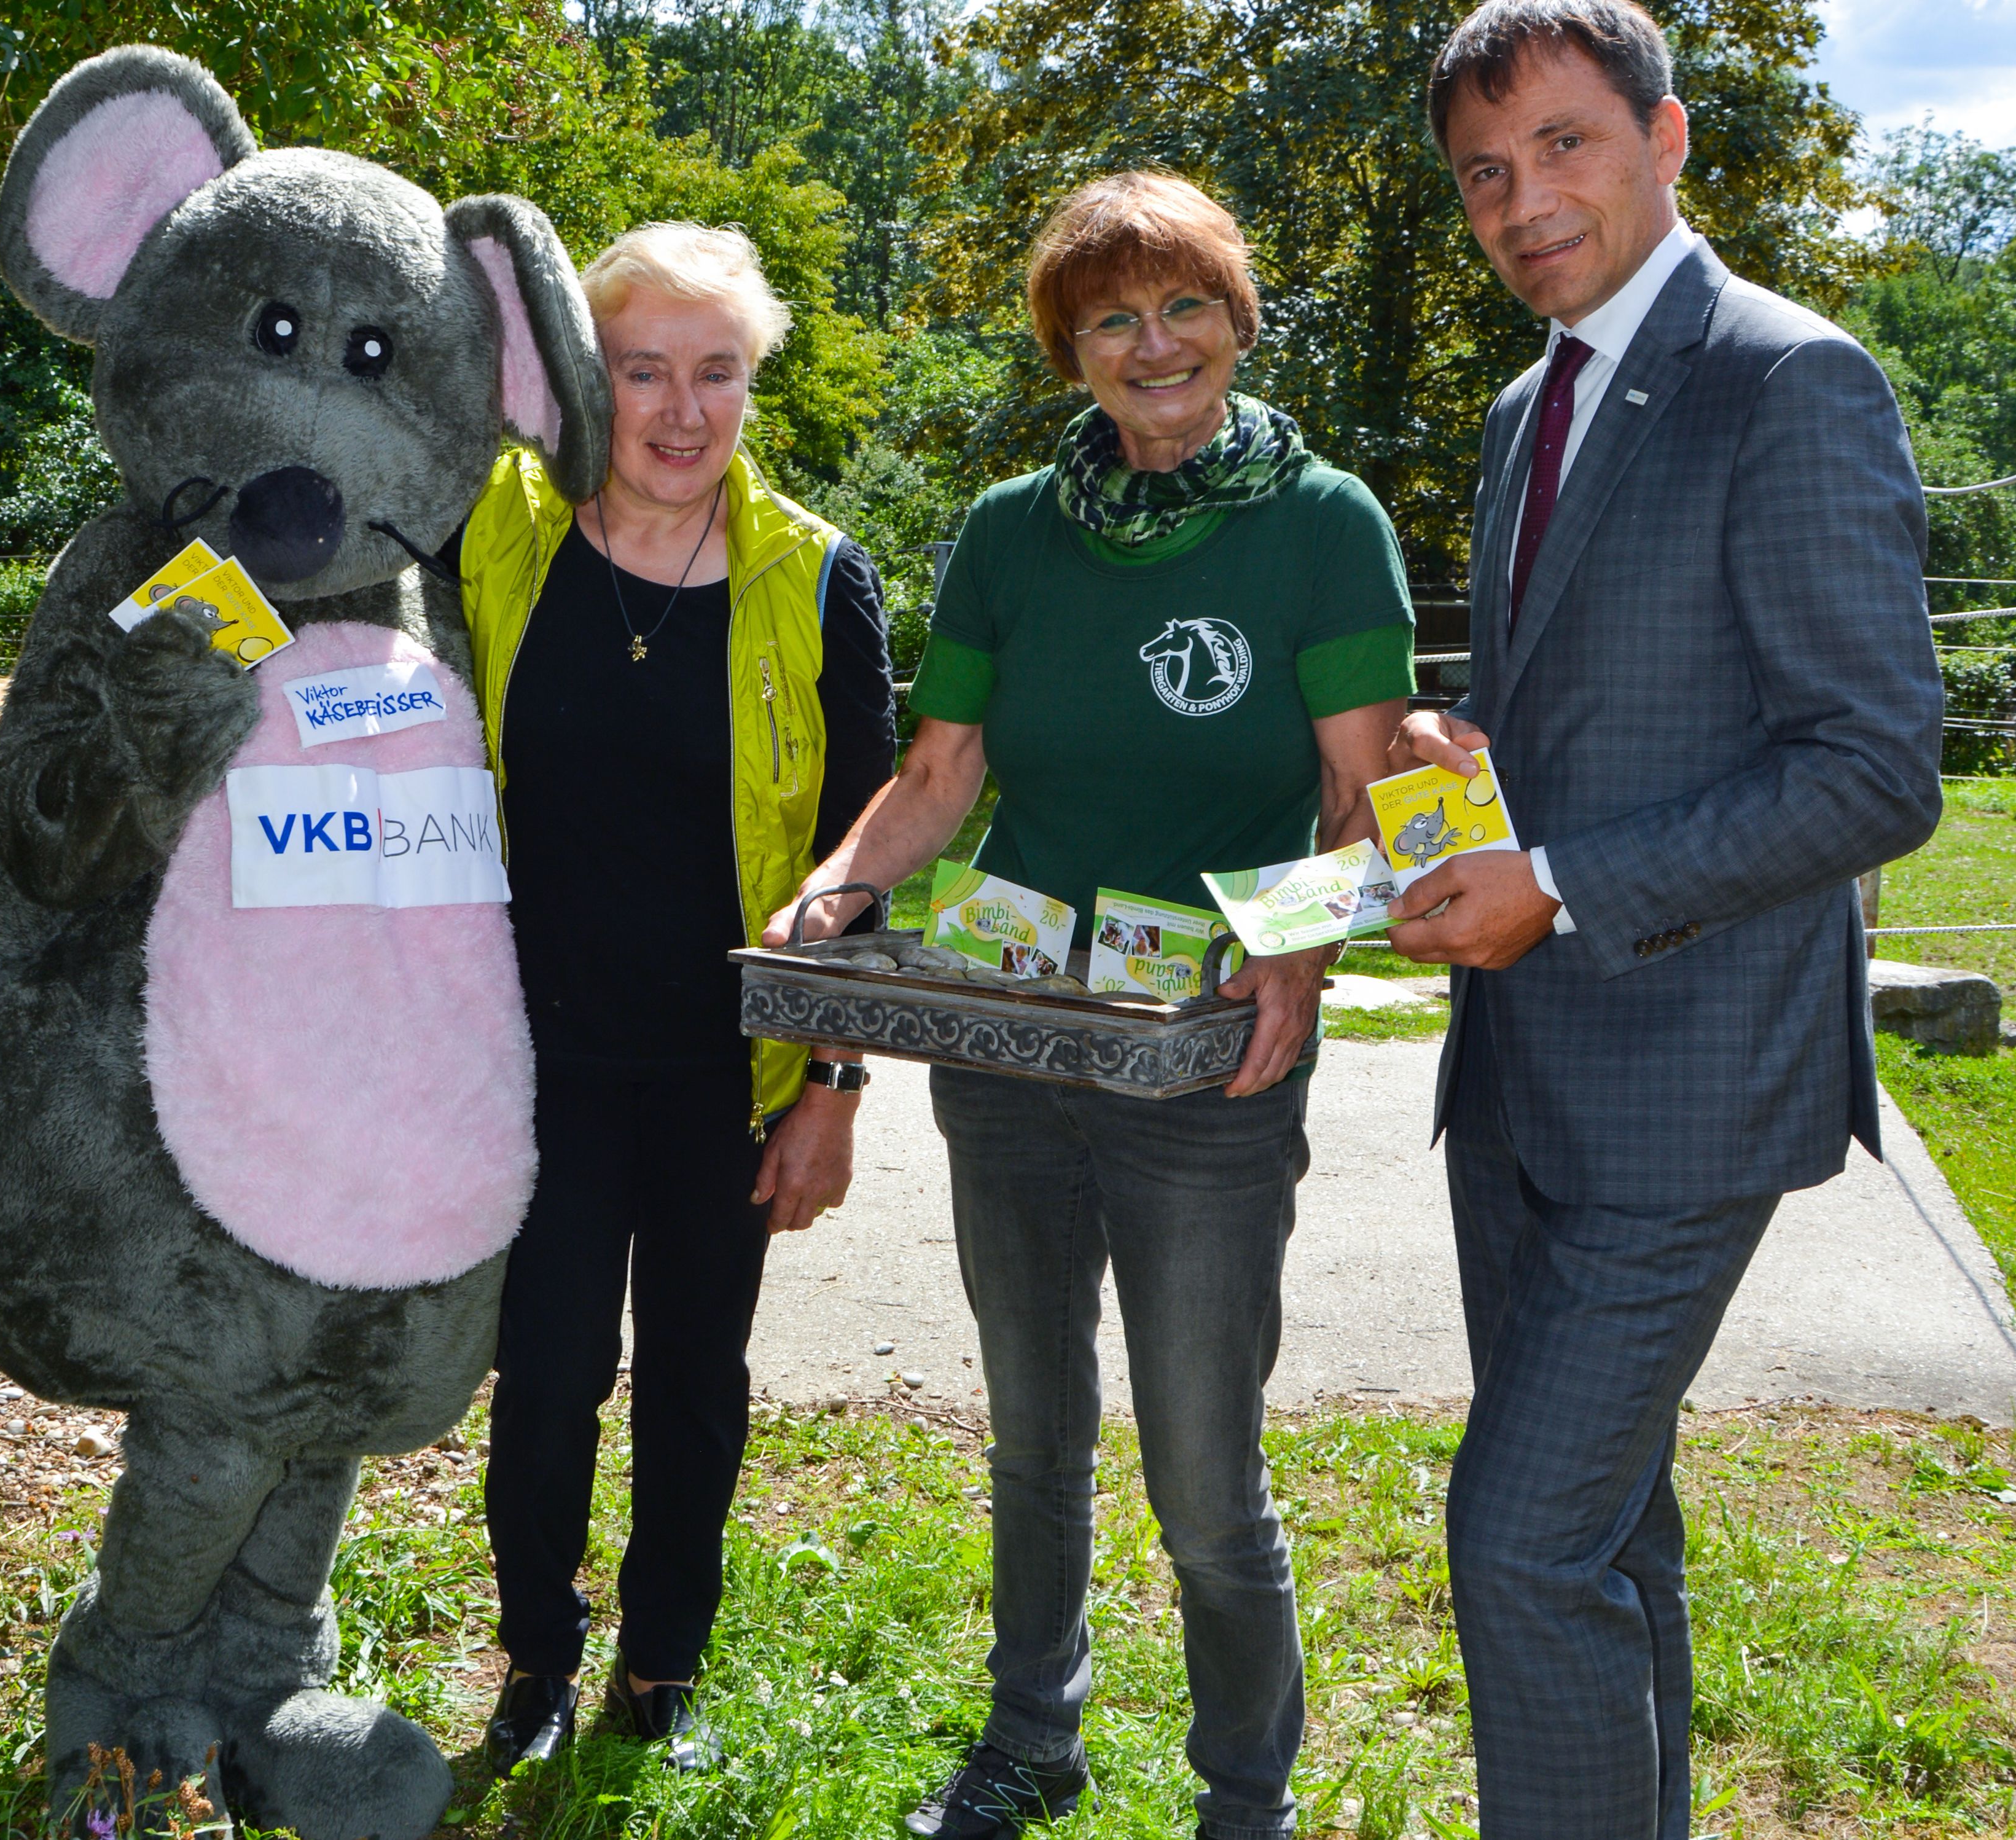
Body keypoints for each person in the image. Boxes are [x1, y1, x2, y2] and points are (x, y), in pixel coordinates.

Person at [770, 171, 1415, 1840]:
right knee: (1030, 1436)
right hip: (1012, 1056)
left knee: (1206, 1482)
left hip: (1209, 1072)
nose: (1154, 345)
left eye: (1183, 304)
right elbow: (940, 774)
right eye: (1111, 318)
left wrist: (1293, 939)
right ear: (1070, 351)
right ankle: (1026, 1740)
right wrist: (842, 882)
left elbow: (1368, 804)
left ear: (1236, 315)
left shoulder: (1324, 524)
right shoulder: (1006, 533)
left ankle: (1243, 1800)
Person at [1390, 6, 1944, 1834]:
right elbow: (1609, 701)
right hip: (1522, 1078)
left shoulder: (1787, 379)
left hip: (1688, 1081)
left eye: (1563, 143)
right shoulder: (1519, 403)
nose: (1522, 200)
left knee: (1519, 1536)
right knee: (1609, 1529)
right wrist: (1476, 763)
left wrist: (1551, 881)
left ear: (1666, 136)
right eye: (1486, 172)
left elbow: (1873, 768)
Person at [459, 221, 896, 1775]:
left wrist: (835, 1086)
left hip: (730, 1072)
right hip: (537, 1064)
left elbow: (866, 853)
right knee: (551, 1371)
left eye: (715, 371)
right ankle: (533, 1659)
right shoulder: (496, 530)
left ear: (751, 385)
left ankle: (660, 1663)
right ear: (591, 378)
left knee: (694, 1381)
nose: (679, 410)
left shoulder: (817, 577)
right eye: (642, 369)